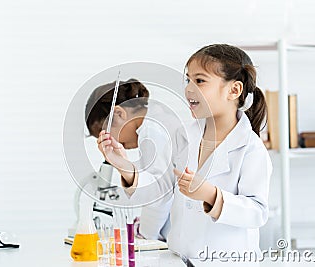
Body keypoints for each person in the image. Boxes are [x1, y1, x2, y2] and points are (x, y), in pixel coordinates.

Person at [98, 44, 272, 259]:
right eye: (188, 79)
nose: (189, 88)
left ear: (233, 90)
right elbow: (160, 190)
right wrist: (125, 166)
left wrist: (210, 194)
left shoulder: (250, 148)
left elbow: (257, 212)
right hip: (179, 258)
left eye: (199, 80)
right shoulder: (184, 136)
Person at [85, 78, 179, 241]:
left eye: (104, 133)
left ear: (119, 113)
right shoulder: (157, 118)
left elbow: (158, 195)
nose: (110, 141)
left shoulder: (151, 131)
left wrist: (144, 234)